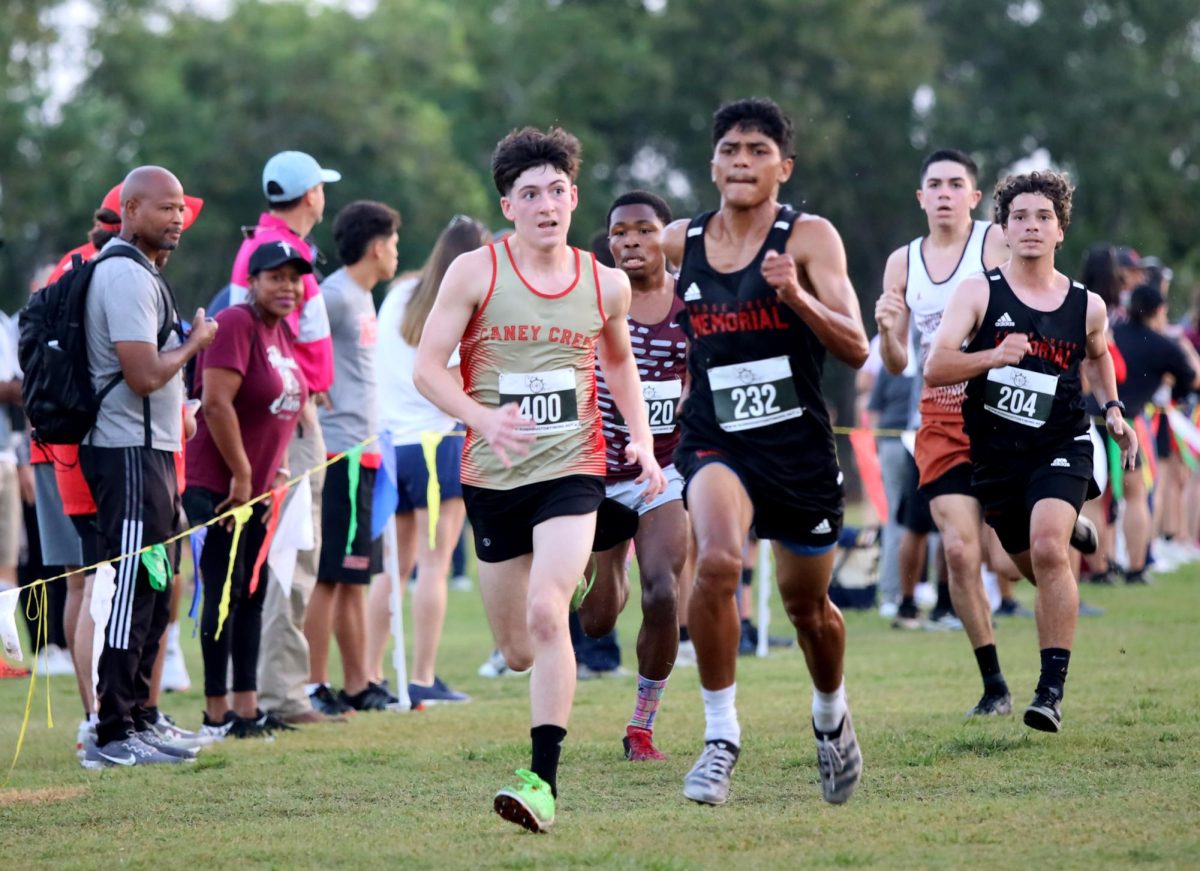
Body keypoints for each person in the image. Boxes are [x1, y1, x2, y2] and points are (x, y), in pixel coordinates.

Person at [414, 126, 665, 832]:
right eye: (531, 194)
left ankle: (541, 782)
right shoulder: (475, 273)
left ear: (573, 196)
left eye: (558, 191)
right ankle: (582, 572)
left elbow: (618, 364)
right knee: (519, 648)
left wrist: (640, 442)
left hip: (571, 467)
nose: (547, 204)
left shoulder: (604, 283)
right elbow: (427, 368)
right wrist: (484, 420)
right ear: (509, 205)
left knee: (546, 613)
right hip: (493, 476)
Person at [660, 98, 869, 806]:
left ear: (784, 165)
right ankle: (721, 738)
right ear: (712, 162)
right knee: (718, 560)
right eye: (730, 149)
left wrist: (798, 298)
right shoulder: (677, 241)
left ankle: (830, 715)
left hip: (799, 447)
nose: (741, 161)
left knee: (808, 609)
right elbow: (619, 307)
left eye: (757, 150)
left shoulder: (808, 238)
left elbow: (856, 344)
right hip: (715, 437)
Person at [926, 170, 1135, 733]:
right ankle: (1074, 533)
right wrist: (991, 357)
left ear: (1060, 230)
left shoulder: (1087, 305)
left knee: (1047, 549)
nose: (1031, 226)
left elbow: (1097, 357)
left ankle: (1049, 692)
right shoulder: (978, 291)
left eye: (1044, 217)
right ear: (1004, 226)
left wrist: (1112, 411)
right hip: (996, 455)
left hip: (1060, 442)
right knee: (1022, 564)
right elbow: (936, 366)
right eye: (1020, 216)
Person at [78, 166, 218, 768]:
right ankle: (110, 731)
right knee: (132, 591)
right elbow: (141, 373)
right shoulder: (123, 276)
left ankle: (137, 717)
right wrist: (195, 343)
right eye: (165, 208)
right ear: (130, 210)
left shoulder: (145, 274)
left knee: (155, 594)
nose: (178, 219)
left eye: (181, 209)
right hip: (126, 455)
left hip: (155, 453)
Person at [873, 148, 1020, 714]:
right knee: (959, 551)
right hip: (936, 415)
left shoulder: (995, 244)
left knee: (1008, 560)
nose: (943, 193)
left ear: (974, 197)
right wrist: (887, 331)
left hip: (1003, 411)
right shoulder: (901, 263)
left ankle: (1067, 523)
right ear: (920, 196)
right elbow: (894, 361)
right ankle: (994, 685)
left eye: (955, 184)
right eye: (933, 184)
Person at [575, 191, 687, 761]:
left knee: (664, 592)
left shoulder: (691, 303)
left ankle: (641, 727)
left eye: (645, 230)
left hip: (662, 470)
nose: (631, 242)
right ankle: (603, 565)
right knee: (596, 624)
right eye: (620, 232)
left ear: (667, 237)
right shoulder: (589, 297)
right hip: (594, 471)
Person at [230, 150, 341, 725]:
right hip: (291, 421)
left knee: (286, 556)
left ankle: (267, 689)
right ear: (313, 195)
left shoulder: (266, 247)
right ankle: (283, 694)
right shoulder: (280, 256)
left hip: (290, 413)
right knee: (292, 555)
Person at [186, 240, 309, 738]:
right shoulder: (236, 323)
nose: (287, 287)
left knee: (252, 593)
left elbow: (276, 415)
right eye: (274, 277)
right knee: (221, 595)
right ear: (252, 282)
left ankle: (247, 707)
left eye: (294, 278)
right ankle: (216, 715)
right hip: (218, 486)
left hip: (257, 489)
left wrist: (272, 472)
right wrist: (240, 474)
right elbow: (216, 404)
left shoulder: (280, 333)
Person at [367, 215, 490, 705]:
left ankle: (371, 675)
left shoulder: (399, 294)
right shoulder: (460, 305)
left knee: (392, 570)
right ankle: (420, 676)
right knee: (434, 568)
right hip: (439, 444)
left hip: (392, 447)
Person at [307, 200, 401, 712]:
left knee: (353, 576)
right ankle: (313, 685)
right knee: (329, 575)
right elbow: (298, 341)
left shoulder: (362, 298)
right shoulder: (335, 296)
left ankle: (359, 683)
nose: (396, 253)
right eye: (394, 243)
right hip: (337, 454)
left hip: (365, 456)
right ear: (376, 246)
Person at [1111, 283, 1199, 583]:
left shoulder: (1114, 333)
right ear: (1159, 310)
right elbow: (1192, 381)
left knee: (1099, 499)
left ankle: (1101, 567)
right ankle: (1137, 566)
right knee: (1140, 494)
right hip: (1132, 423)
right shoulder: (1163, 345)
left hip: (1094, 418)